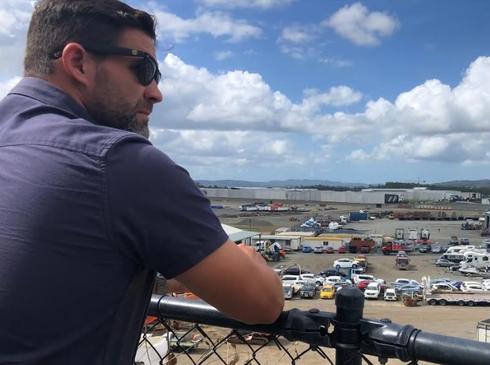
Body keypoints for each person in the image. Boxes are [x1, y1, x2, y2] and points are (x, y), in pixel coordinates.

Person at [0, 1, 284, 364]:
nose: (155, 92)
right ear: (78, 63)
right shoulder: (119, 162)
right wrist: (246, 256)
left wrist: (161, 279)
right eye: (143, 68)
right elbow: (263, 303)